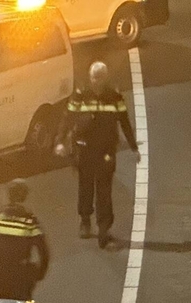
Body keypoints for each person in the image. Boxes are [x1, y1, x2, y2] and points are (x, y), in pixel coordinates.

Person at [56, 60, 141, 248]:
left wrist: (134, 148)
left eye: (99, 78)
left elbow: (125, 123)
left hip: (106, 151)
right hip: (84, 149)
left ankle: (104, 228)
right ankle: (85, 220)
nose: (96, 82)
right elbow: (67, 119)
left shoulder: (115, 97)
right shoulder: (80, 95)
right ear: (90, 77)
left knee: (104, 191)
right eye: (94, 78)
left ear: (105, 78)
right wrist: (60, 141)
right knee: (85, 186)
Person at [0, 179, 50, 300]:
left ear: (9, 195)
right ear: (25, 196)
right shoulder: (29, 220)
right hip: (20, 274)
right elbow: (43, 250)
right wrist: (41, 272)